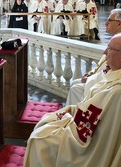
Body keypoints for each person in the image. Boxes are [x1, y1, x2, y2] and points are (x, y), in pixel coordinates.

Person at [24, 33, 121, 167]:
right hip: (90, 132)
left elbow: (98, 128)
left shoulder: (117, 91)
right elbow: (94, 111)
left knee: (40, 140)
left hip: (90, 145)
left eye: (109, 48)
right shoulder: (114, 75)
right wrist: (72, 110)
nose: (104, 52)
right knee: (47, 124)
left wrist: (69, 119)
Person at [66, 8, 121, 105]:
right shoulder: (115, 39)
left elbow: (114, 71)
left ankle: (76, 117)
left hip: (109, 86)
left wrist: (90, 79)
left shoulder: (118, 43)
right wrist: (92, 73)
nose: (106, 23)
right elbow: (104, 64)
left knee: (75, 89)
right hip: (101, 78)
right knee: (75, 83)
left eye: (109, 20)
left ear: (119, 24)